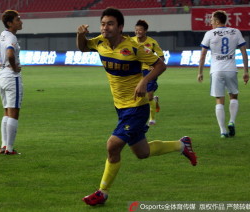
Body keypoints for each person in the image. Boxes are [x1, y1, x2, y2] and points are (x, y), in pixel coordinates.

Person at [77, 7, 197, 206]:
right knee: (142, 153)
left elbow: (161, 65)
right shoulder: (99, 42)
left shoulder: (133, 47)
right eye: (103, 23)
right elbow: (82, 47)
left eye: (110, 23)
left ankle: (102, 192)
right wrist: (80, 35)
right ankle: (181, 144)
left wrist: (144, 81)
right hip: (120, 106)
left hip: (137, 106)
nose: (105, 27)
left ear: (120, 27)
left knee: (112, 146)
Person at [197, 10, 249, 138]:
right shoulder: (235, 31)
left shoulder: (209, 34)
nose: (210, 22)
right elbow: (244, 52)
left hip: (216, 70)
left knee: (219, 100)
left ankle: (223, 131)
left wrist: (200, 72)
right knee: (234, 96)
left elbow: (203, 54)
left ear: (217, 21)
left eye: (212, 20)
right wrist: (246, 71)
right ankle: (231, 121)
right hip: (231, 69)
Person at [0, 10, 23, 154]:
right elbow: (10, 52)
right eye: (18, 20)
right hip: (11, 77)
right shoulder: (12, 37)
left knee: (6, 111)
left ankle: (4, 146)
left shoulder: (2, 35)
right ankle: (9, 149)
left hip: (1, 75)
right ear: (10, 23)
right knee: (14, 112)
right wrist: (14, 66)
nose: (21, 22)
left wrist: (1, 64)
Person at [132, 20, 164, 126]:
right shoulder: (131, 41)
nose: (137, 32)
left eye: (140, 30)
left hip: (149, 72)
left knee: (149, 96)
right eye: (136, 30)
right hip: (136, 71)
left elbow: (161, 57)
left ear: (145, 31)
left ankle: (152, 119)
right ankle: (138, 115)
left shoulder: (152, 42)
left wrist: (153, 66)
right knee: (138, 95)